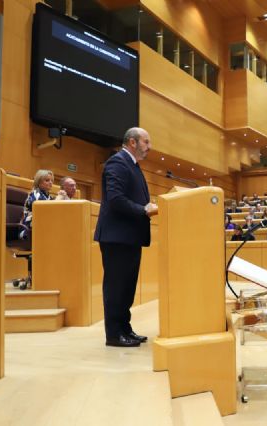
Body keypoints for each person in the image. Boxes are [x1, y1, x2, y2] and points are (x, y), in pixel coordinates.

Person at [94, 127, 158, 348]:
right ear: (132, 142)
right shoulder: (117, 162)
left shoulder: (132, 165)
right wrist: (143, 210)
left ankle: (125, 329)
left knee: (127, 287)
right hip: (117, 237)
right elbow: (115, 199)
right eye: (146, 142)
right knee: (116, 287)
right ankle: (114, 334)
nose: (149, 147)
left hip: (129, 237)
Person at [21, 169, 55, 236]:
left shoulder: (49, 196)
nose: (50, 182)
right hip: (28, 230)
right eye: (47, 180)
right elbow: (45, 211)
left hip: (41, 226)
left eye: (51, 180)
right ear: (39, 182)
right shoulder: (35, 194)